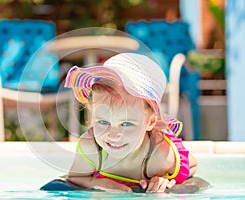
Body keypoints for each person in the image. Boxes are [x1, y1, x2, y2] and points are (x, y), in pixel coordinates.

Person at [64, 53, 197, 193]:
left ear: (150, 122)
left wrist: (168, 179)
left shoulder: (161, 156)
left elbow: (193, 166)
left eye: (126, 124)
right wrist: (101, 183)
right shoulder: (91, 148)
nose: (113, 134)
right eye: (103, 122)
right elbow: (74, 179)